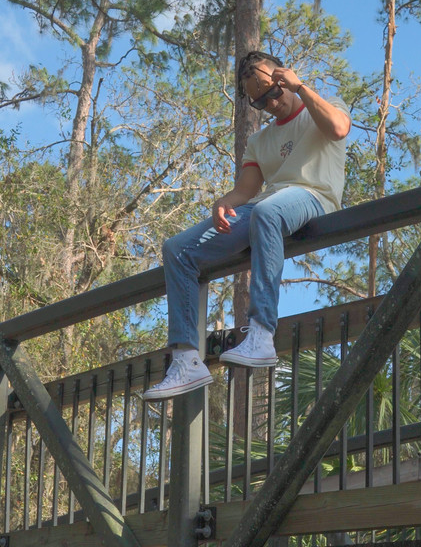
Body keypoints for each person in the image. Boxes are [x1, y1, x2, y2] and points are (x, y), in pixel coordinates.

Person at [142, 50, 351, 400]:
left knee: (267, 211)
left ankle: (261, 333)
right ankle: (186, 360)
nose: (271, 103)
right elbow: (246, 190)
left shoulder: (323, 105)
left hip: (313, 196)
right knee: (177, 250)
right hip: (265, 206)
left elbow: (339, 128)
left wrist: (301, 88)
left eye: (274, 91)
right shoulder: (259, 141)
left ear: (284, 78)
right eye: (259, 101)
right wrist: (223, 202)